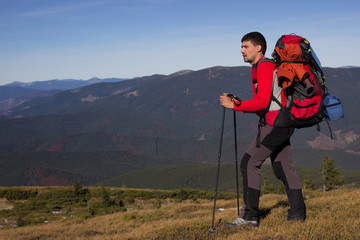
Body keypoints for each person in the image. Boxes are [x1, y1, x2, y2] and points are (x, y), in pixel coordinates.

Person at [219, 32, 306, 227]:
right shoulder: (261, 67)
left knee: (248, 163)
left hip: (275, 124)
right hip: (281, 123)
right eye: (241, 47)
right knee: (283, 167)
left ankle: (250, 217)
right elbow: (266, 102)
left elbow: (262, 101)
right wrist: (240, 103)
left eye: (245, 46)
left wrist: (235, 105)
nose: (241, 50)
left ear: (259, 47)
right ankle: (298, 215)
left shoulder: (265, 66)